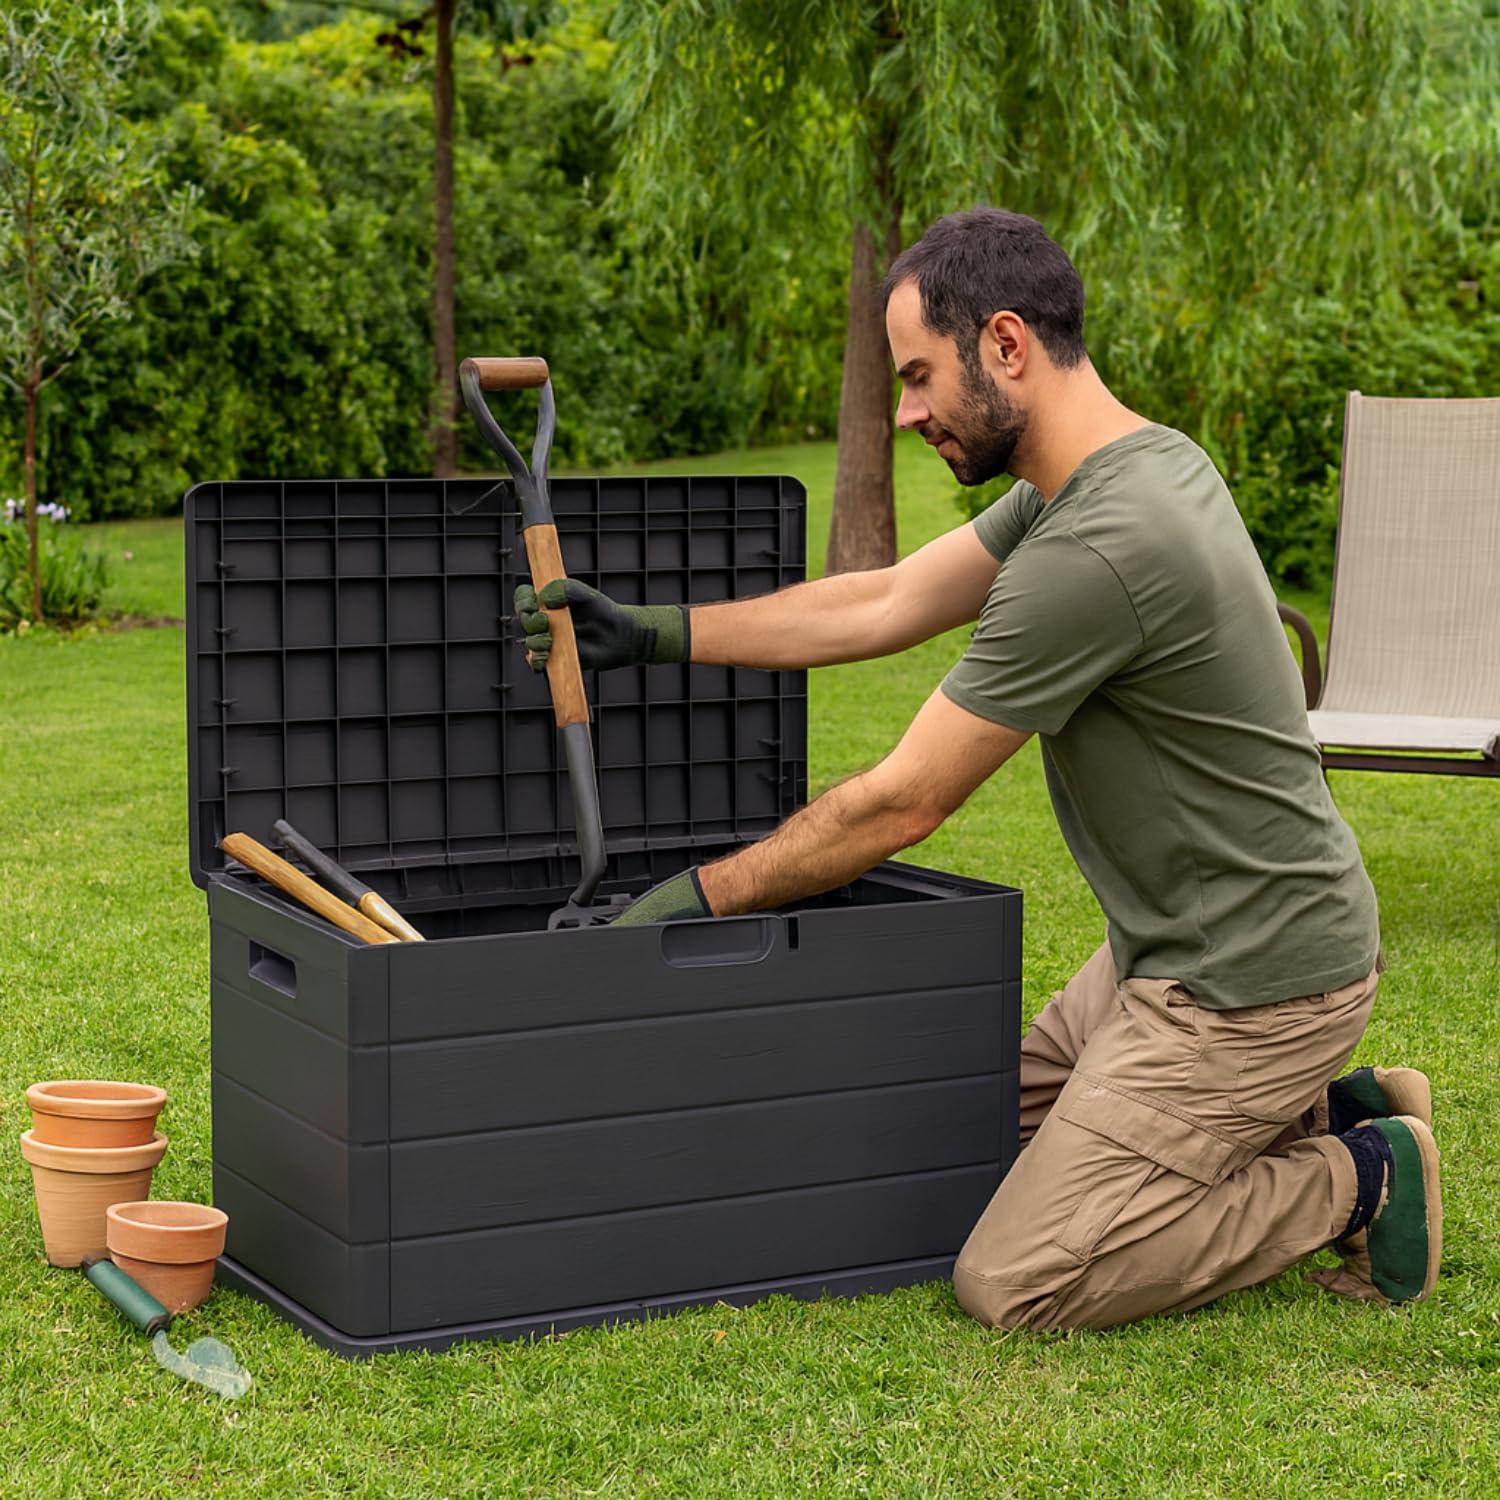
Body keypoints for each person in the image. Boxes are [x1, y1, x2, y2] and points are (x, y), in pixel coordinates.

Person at [514, 207, 1440, 1331]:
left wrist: (697, 898)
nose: (904, 413)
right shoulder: (1116, 468)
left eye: (917, 377)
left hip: (1248, 987)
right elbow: (892, 598)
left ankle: (1363, 1172)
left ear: (1005, 346)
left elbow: (904, 801)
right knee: (956, 1144)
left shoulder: (1100, 546)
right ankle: (1319, 1106)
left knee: (1019, 1274)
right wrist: (660, 632)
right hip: (1171, 952)